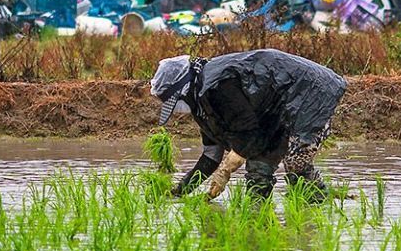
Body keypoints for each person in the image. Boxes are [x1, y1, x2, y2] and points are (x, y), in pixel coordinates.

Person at [149, 49, 347, 200]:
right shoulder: (200, 104)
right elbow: (211, 156)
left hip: (309, 91)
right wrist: (180, 191)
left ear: (182, 89)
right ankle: (261, 219)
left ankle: (317, 205)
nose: (176, 108)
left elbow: (248, 132)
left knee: (296, 162)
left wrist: (226, 170)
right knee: (258, 175)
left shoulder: (219, 87)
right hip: (272, 113)